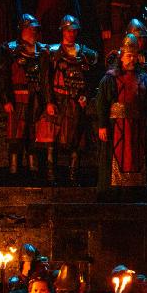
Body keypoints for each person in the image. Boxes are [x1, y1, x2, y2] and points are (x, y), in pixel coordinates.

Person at [94, 34, 147, 197]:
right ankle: (114, 191)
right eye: (129, 56)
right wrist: (102, 125)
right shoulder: (110, 78)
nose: (132, 59)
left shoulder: (144, 79)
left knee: (136, 157)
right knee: (118, 156)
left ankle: (137, 189)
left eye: (134, 56)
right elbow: (102, 103)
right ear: (121, 56)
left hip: (138, 127)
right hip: (117, 127)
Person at [44, 15, 97, 184]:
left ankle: (73, 176)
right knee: (53, 139)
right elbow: (46, 79)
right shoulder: (52, 53)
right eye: (68, 30)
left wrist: (86, 95)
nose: (71, 33)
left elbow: (91, 80)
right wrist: (49, 101)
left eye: (74, 30)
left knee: (77, 140)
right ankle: (51, 175)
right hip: (58, 100)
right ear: (63, 31)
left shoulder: (85, 54)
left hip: (76, 102)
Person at [0, 14, 49, 178]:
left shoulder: (41, 50)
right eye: (30, 28)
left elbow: (45, 78)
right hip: (17, 97)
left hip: (35, 97)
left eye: (35, 29)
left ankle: (33, 170)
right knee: (15, 134)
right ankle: (14, 170)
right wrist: (6, 99)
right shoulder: (10, 49)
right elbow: (3, 76)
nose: (33, 31)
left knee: (33, 134)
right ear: (23, 29)